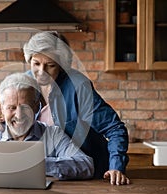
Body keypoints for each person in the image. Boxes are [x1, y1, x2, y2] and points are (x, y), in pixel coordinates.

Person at [0, 73, 94, 180]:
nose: (19, 115)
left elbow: (86, 165)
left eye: (25, 107)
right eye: (12, 108)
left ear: (36, 106)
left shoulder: (52, 134)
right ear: (2, 108)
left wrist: (31, 164)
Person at [22, 31, 130, 185]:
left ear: (61, 65)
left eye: (50, 65)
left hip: (88, 176)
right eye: (36, 63)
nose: (41, 72)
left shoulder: (78, 87)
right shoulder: (25, 83)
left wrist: (116, 167)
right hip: (46, 174)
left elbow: (115, 129)